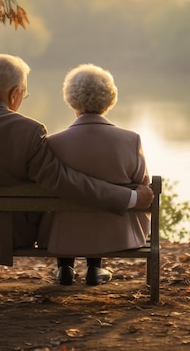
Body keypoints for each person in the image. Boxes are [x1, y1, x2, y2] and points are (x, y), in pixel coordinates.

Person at [0, 54, 153, 285]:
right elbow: (62, 182)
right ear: (15, 93)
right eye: (24, 93)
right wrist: (130, 198)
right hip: (7, 234)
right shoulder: (29, 131)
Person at [38, 63, 151, 286]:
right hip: (115, 234)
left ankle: (65, 268)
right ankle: (94, 268)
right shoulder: (130, 141)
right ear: (109, 98)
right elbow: (144, 189)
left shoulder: (52, 144)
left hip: (63, 234)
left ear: (71, 98)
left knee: (62, 201)